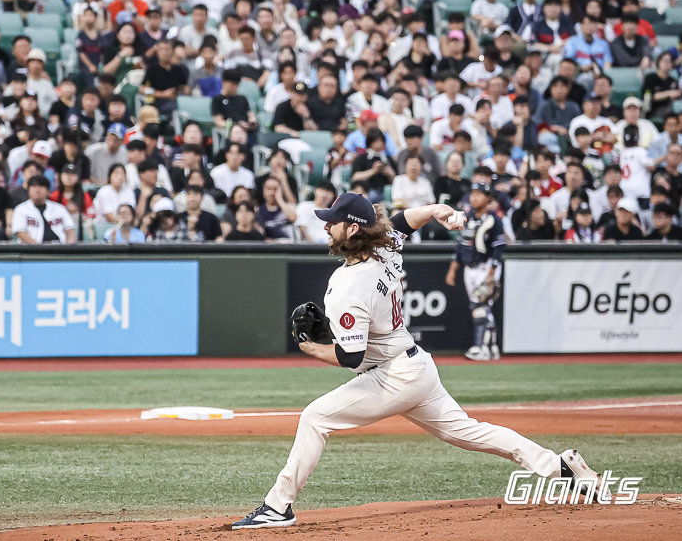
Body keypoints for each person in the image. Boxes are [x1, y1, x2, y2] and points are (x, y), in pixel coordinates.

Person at [232, 193, 610, 529]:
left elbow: (350, 357)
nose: (326, 226)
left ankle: (278, 507)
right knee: (468, 431)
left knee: (315, 417)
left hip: (394, 376)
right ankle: (559, 467)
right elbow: (399, 224)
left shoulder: (348, 286)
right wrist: (436, 209)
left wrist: (310, 347)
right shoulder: (383, 249)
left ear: (351, 230)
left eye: (333, 221)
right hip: (416, 367)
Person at [445, 182, 505, 362]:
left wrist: (491, 273)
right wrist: (453, 269)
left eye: (479, 194)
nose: (474, 197)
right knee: (481, 308)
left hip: (485, 266)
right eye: (473, 194)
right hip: (469, 267)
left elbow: (499, 248)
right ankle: (491, 346)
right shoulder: (468, 217)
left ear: (488, 199)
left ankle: (480, 347)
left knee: (479, 307)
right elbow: (460, 245)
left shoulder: (493, 219)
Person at [11, 174, 76, 244]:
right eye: (34, 186)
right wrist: (38, 249)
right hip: (31, 251)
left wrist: (67, 248)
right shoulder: (21, 209)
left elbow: (70, 231)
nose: (37, 190)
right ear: (28, 191)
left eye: (41, 186)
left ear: (48, 191)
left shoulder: (60, 208)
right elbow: (21, 234)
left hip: (59, 249)